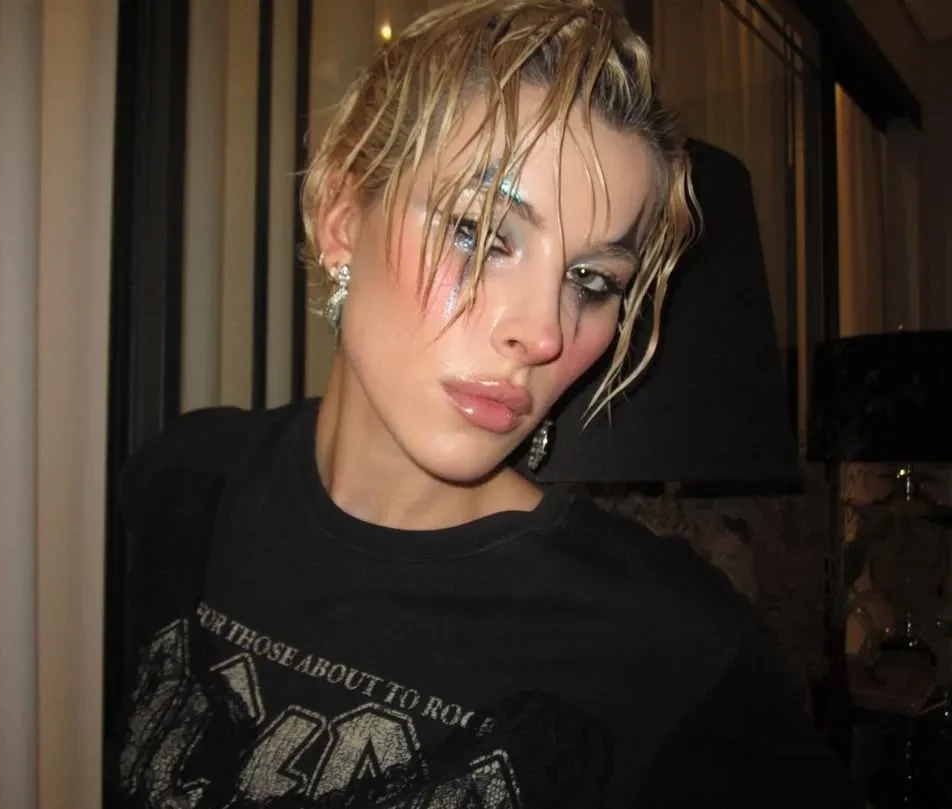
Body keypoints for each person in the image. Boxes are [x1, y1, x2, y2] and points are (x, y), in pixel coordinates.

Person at [111, 1, 861, 807]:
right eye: (478, 231)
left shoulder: (666, 639)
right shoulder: (185, 482)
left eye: (591, 280)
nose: (543, 332)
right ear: (341, 217)